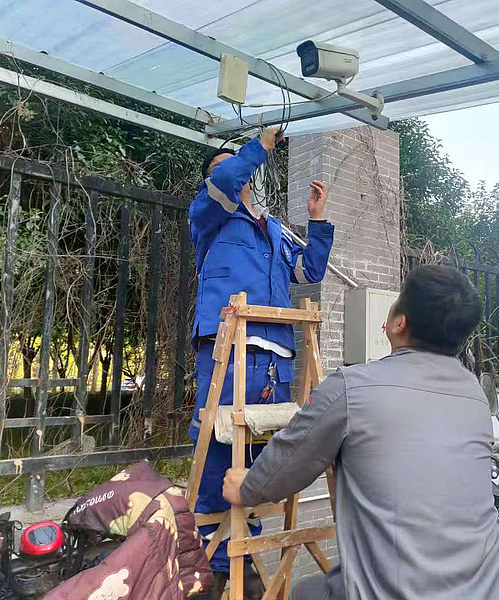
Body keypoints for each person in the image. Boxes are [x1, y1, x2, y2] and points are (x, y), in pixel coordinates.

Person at [222, 264, 499, 600]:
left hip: (404, 591)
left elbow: (288, 463)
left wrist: (247, 487)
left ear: (398, 323)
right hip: (498, 588)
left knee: (304, 594)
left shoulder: (351, 388)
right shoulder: (474, 395)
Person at [188, 126, 335, 598]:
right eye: (223, 167)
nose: (234, 172)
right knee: (218, 443)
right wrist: (261, 146)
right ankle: (213, 568)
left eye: (238, 165)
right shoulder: (209, 215)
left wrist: (317, 222)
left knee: (257, 451)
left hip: (275, 356)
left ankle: (246, 564)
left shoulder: (272, 229)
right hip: (227, 350)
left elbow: (308, 271)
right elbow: (225, 181)